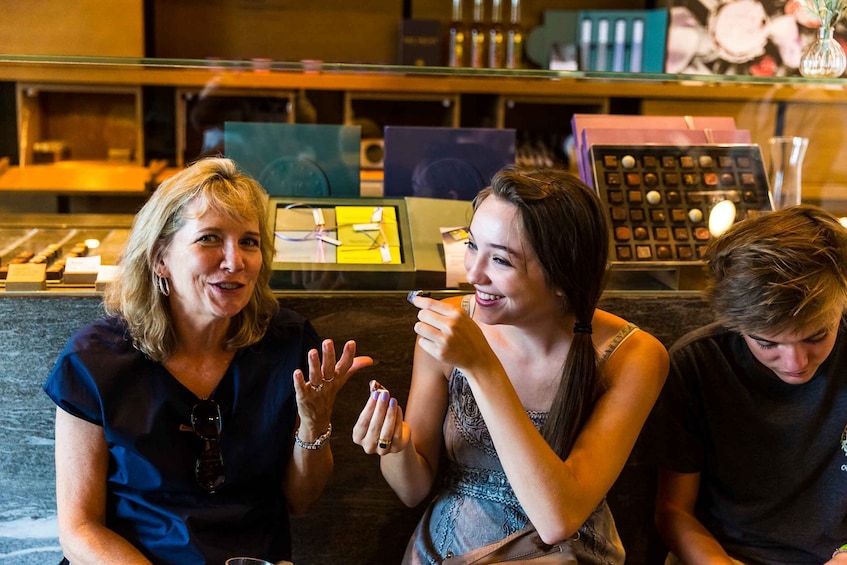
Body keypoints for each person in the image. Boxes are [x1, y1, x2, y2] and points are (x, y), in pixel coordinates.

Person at [43, 157, 372, 564]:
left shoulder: (288, 345)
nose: (235, 261)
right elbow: (79, 531)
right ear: (160, 258)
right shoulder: (95, 360)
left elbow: (301, 501)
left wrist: (315, 424)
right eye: (210, 239)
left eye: (249, 242)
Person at [352, 167, 669, 563]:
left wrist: (482, 368)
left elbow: (558, 519)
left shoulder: (633, 356)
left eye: (500, 260)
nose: (473, 273)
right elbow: (413, 489)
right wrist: (393, 446)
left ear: (561, 276)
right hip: (449, 549)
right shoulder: (446, 328)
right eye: (472, 245)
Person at [648, 205, 847, 564]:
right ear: (736, 325)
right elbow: (674, 512)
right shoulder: (698, 364)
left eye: (816, 337)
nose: (795, 364)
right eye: (767, 343)